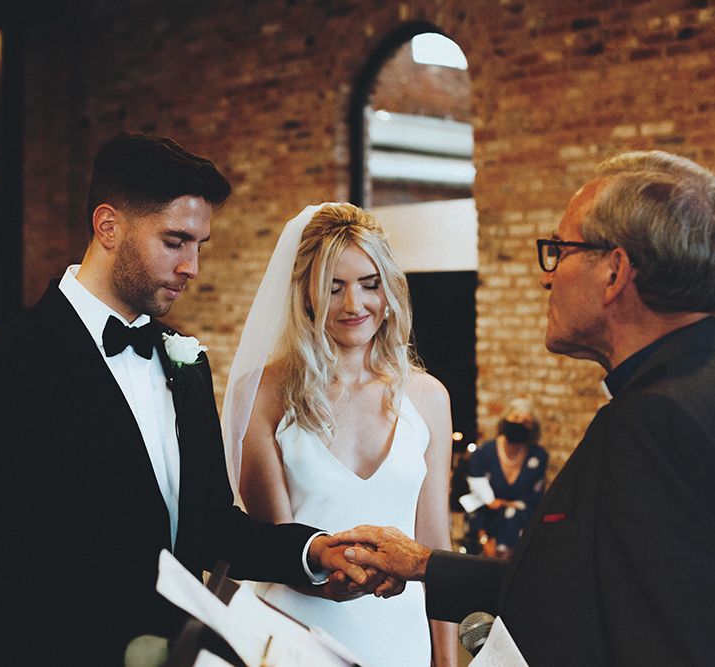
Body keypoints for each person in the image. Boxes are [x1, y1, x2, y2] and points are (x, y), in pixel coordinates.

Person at [0, 134, 370, 667]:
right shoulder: (7, 364)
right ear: (108, 226)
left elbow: (211, 522)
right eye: (174, 242)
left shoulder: (184, 362)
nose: (192, 266)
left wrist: (310, 552)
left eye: (198, 245)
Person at [331, 150, 715, 665]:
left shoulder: (653, 421)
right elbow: (577, 577)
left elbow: (641, 631)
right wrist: (425, 563)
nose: (546, 277)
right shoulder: (688, 385)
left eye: (560, 250)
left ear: (615, 272)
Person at [221, 203, 457, 666]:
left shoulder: (429, 398)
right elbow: (272, 541)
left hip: (399, 635)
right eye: (334, 287)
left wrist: (445, 659)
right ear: (307, 294)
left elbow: (435, 545)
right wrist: (330, 584)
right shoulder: (263, 393)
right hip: (295, 634)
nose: (354, 305)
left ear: (389, 291)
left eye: (370, 285)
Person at [462, 398, 547, 558]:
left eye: (526, 421)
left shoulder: (537, 456)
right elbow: (476, 500)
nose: (520, 424)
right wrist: (484, 539)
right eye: (515, 418)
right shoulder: (483, 453)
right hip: (483, 527)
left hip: (520, 532)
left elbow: (535, 501)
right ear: (505, 419)